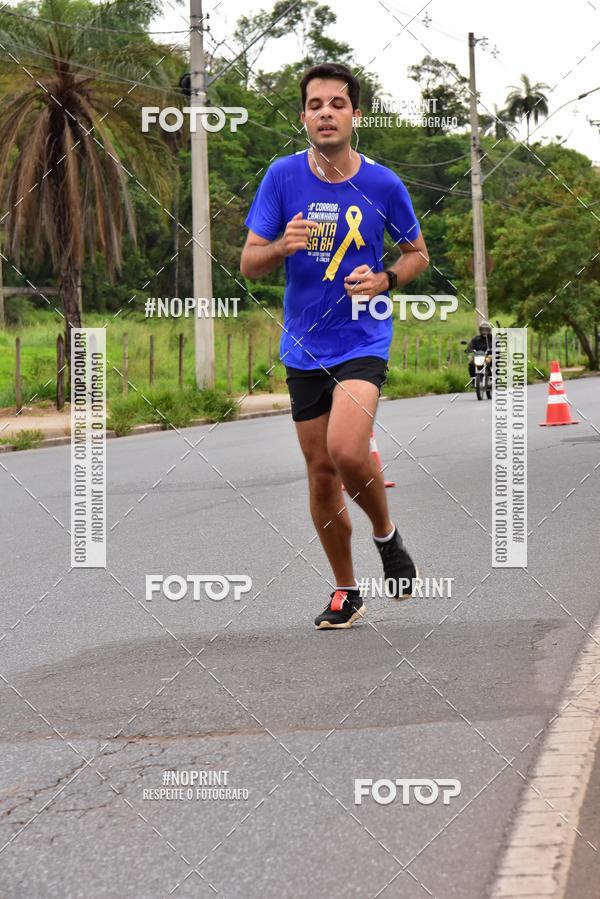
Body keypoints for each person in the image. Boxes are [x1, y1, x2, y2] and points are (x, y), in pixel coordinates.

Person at [240, 62, 429, 629]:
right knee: (322, 472)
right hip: (304, 346)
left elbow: (417, 254)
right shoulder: (281, 177)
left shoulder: (383, 184)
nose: (326, 112)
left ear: (356, 116)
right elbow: (249, 263)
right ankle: (346, 590)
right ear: (303, 117)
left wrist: (385, 279)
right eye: (316, 104)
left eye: (337, 104)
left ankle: (386, 536)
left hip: (363, 336)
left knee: (348, 451)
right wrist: (281, 246)